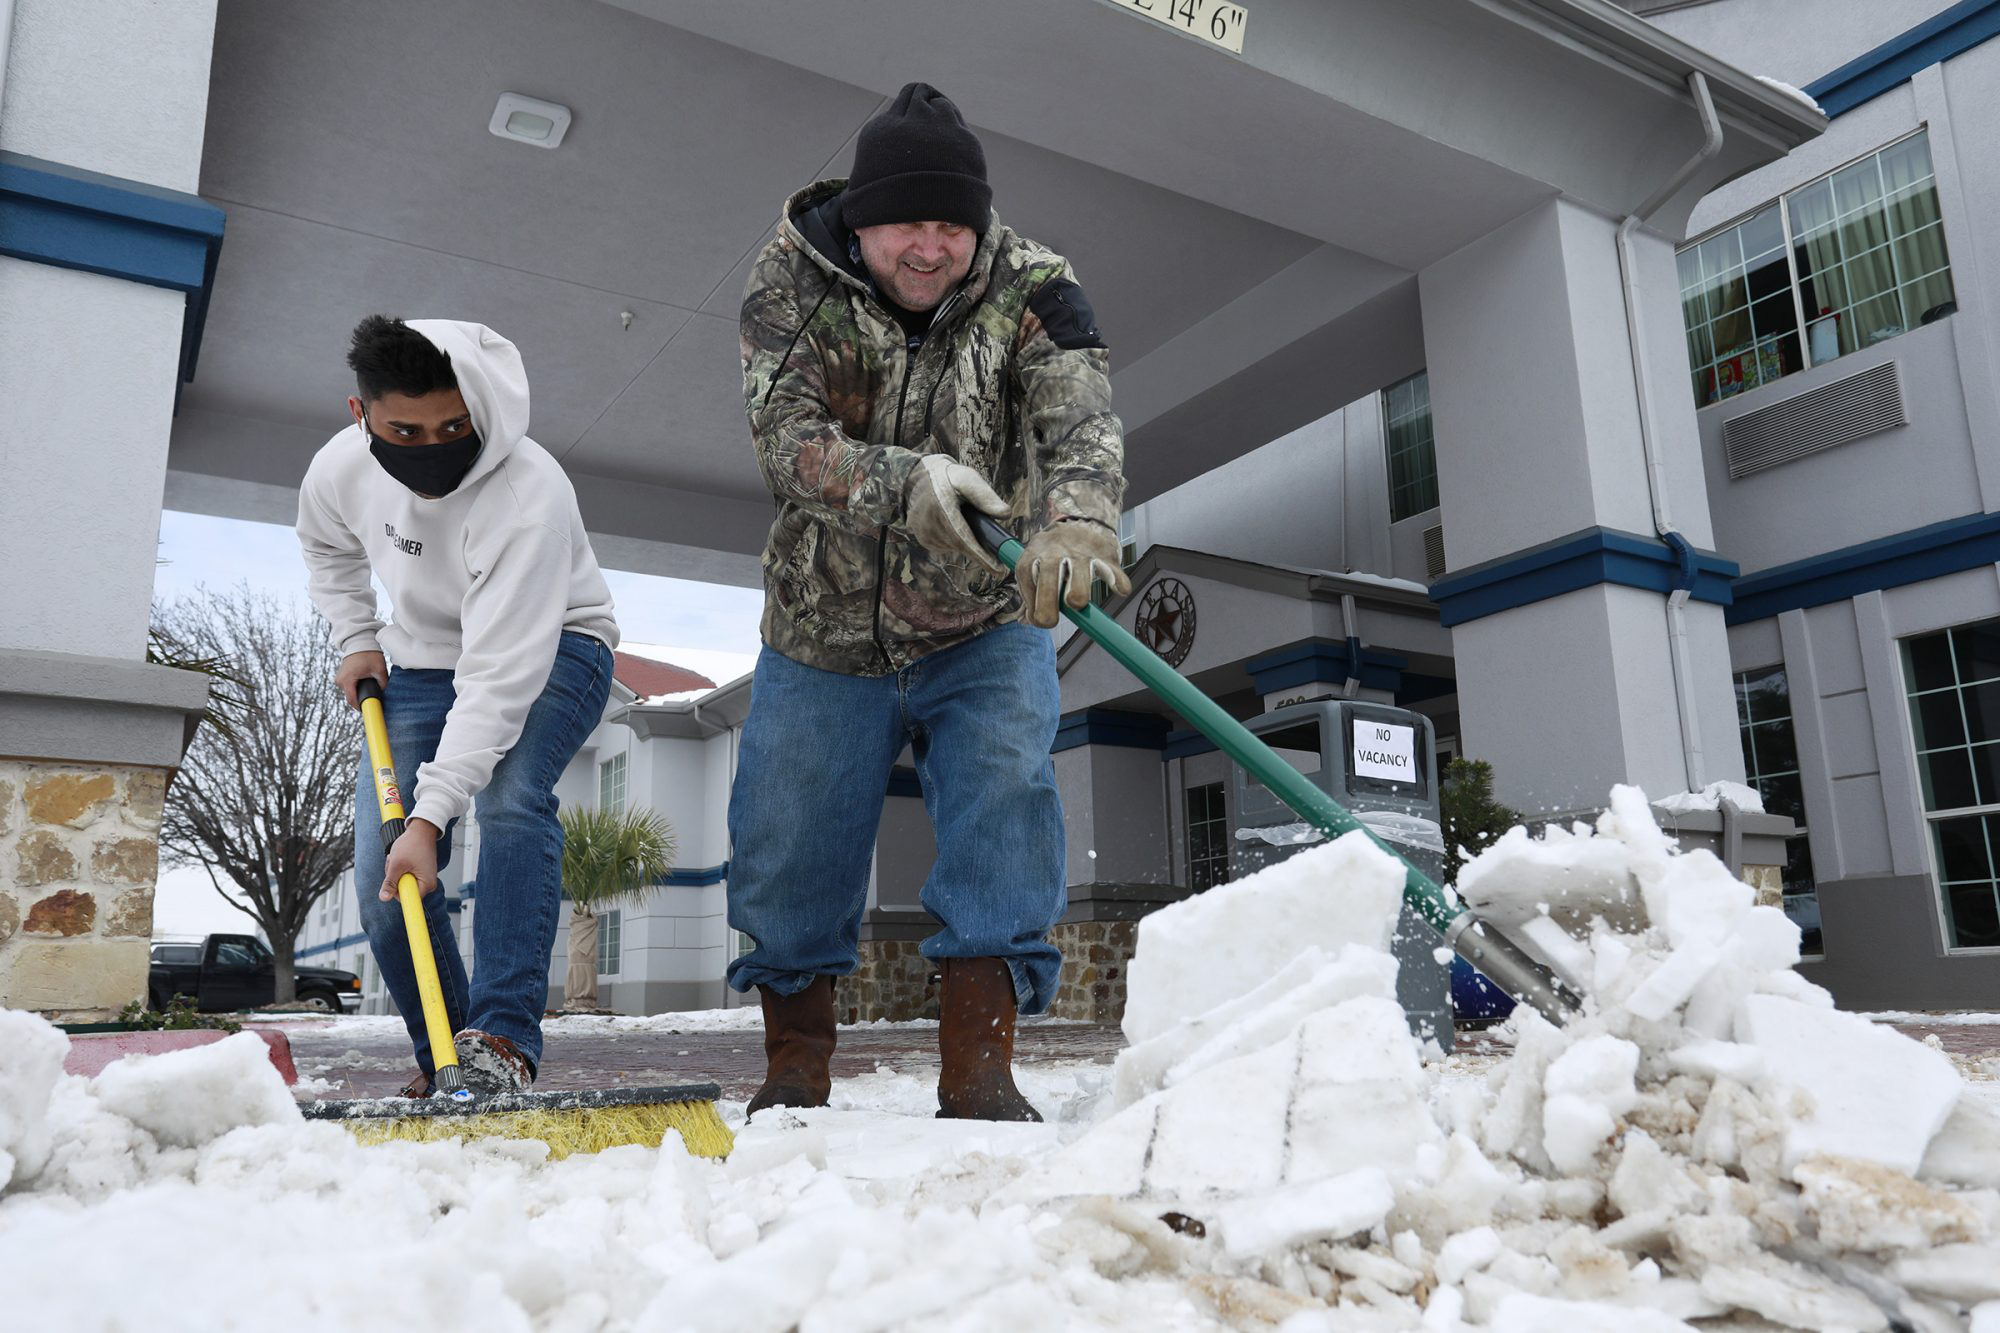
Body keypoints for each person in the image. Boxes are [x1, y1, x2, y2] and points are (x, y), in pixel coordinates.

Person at [730, 82, 1129, 1121]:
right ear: (857, 221)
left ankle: (980, 1064)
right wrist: (905, 482)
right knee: (789, 840)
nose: (928, 246)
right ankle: (794, 1061)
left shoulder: (1033, 282)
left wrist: (1081, 519)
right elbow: (785, 440)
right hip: (821, 626)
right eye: (905, 222)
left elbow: (1077, 413)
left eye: (951, 224)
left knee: (1006, 804)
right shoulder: (789, 280)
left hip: (980, 620)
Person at [296, 316, 619, 1095]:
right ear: (359, 414)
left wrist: (431, 816)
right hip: (417, 660)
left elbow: (501, 676)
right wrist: (354, 635)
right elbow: (328, 546)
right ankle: (445, 1053)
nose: (432, 445)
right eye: (404, 429)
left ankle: (501, 1039)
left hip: (556, 645)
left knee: (510, 798)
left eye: (453, 426)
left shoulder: (526, 493)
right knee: (383, 872)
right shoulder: (339, 469)